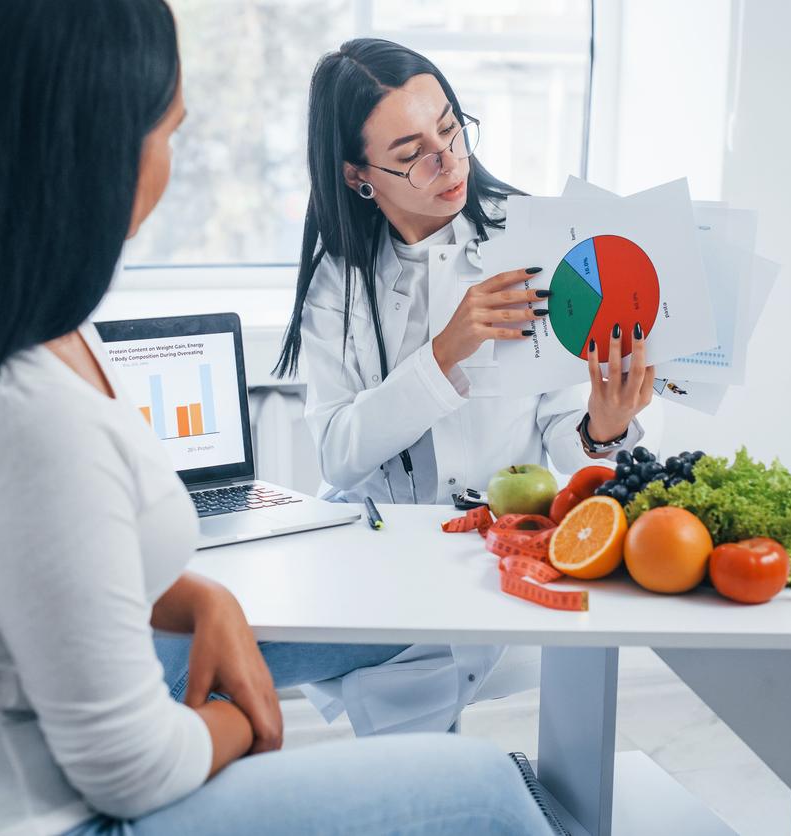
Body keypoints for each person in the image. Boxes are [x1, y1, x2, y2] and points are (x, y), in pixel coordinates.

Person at [0, 3, 556, 834]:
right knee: (484, 790)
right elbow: (131, 769)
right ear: (93, 158)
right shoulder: (33, 410)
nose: (172, 159)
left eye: (449, 132)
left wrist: (195, 595)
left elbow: (40, 565)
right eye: (168, 132)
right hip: (40, 814)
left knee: (392, 650)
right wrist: (248, 715)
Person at [271, 38, 657, 736]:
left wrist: (602, 428)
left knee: (417, 757)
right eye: (412, 151)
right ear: (360, 176)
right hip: (377, 560)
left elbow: (572, 453)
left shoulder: (535, 242)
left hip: (493, 556)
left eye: (450, 128)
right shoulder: (339, 280)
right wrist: (446, 350)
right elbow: (338, 453)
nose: (447, 161)